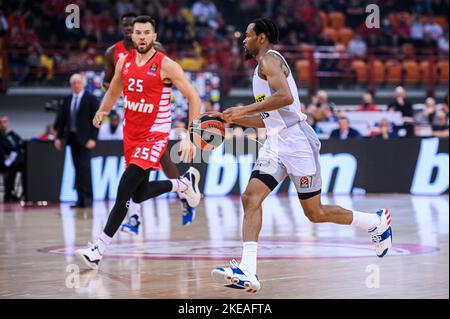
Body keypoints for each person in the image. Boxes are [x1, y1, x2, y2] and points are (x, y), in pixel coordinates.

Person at [210, 18, 393, 293]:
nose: (243, 40)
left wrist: (243, 109)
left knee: (314, 213)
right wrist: (232, 119)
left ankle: (375, 222)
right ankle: (248, 270)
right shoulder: (260, 69)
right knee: (250, 197)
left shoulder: (269, 60)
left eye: (247, 35)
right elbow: (269, 119)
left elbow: (283, 97)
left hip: (297, 141)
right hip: (276, 141)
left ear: (261, 38)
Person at [75, 15, 202, 270]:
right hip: (130, 135)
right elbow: (113, 92)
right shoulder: (123, 60)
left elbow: (194, 98)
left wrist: (190, 134)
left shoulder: (166, 65)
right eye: (138, 32)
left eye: (147, 32)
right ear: (131, 36)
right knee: (139, 193)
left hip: (154, 136)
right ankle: (183, 183)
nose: (142, 37)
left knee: (123, 191)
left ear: (154, 37)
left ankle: (98, 249)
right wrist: (102, 110)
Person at [103, 13, 196, 231]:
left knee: (160, 161)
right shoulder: (113, 53)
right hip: (131, 113)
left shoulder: (157, 50)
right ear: (125, 30)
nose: (130, 30)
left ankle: (181, 196)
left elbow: (166, 78)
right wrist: (112, 96)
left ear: (151, 34)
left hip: (154, 117)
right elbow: (108, 82)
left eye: (134, 27)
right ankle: (178, 190)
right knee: (135, 177)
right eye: (127, 27)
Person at [54, 74, 99, 208]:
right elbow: (61, 120)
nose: (76, 85)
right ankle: (80, 199)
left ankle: (88, 198)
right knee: (77, 169)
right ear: (71, 85)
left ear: (83, 84)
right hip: (72, 139)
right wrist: (58, 137)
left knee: (84, 168)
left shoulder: (90, 99)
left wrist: (93, 138)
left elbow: (97, 120)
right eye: (73, 83)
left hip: (86, 140)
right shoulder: (68, 99)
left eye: (78, 83)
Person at [0, 115, 24, 202]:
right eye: (1, 122)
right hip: (4, 162)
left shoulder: (13, 135)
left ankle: (26, 192)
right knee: (12, 166)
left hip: (17, 160)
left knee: (26, 166)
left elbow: (21, 144)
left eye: (5, 122)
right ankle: (9, 193)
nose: (3, 124)